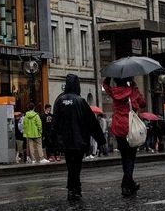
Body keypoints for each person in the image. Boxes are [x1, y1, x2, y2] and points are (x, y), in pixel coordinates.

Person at [53, 74, 107, 202]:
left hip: (65, 141)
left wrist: (54, 141)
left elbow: (56, 124)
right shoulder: (80, 101)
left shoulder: (59, 101)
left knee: (70, 165)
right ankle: (74, 188)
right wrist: (101, 140)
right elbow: (91, 123)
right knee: (76, 166)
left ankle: (73, 187)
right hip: (79, 140)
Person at [103, 77, 145, 197]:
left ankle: (129, 184)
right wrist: (135, 85)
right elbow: (143, 103)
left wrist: (108, 78)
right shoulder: (133, 91)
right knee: (131, 158)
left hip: (119, 129)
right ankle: (126, 185)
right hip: (131, 128)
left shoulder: (114, 92)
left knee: (124, 157)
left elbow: (105, 86)